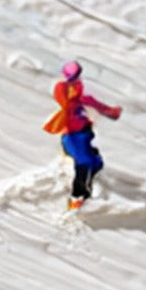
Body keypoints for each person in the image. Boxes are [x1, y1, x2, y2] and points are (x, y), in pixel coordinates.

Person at [43, 60, 122, 209]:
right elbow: (62, 96)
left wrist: (111, 112)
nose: (76, 84)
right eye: (73, 80)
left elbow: (95, 104)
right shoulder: (65, 99)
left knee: (95, 162)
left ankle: (88, 190)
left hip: (84, 135)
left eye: (77, 79)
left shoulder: (82, 99)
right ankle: (77, 197)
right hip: (72, 137)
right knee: (84, 162)